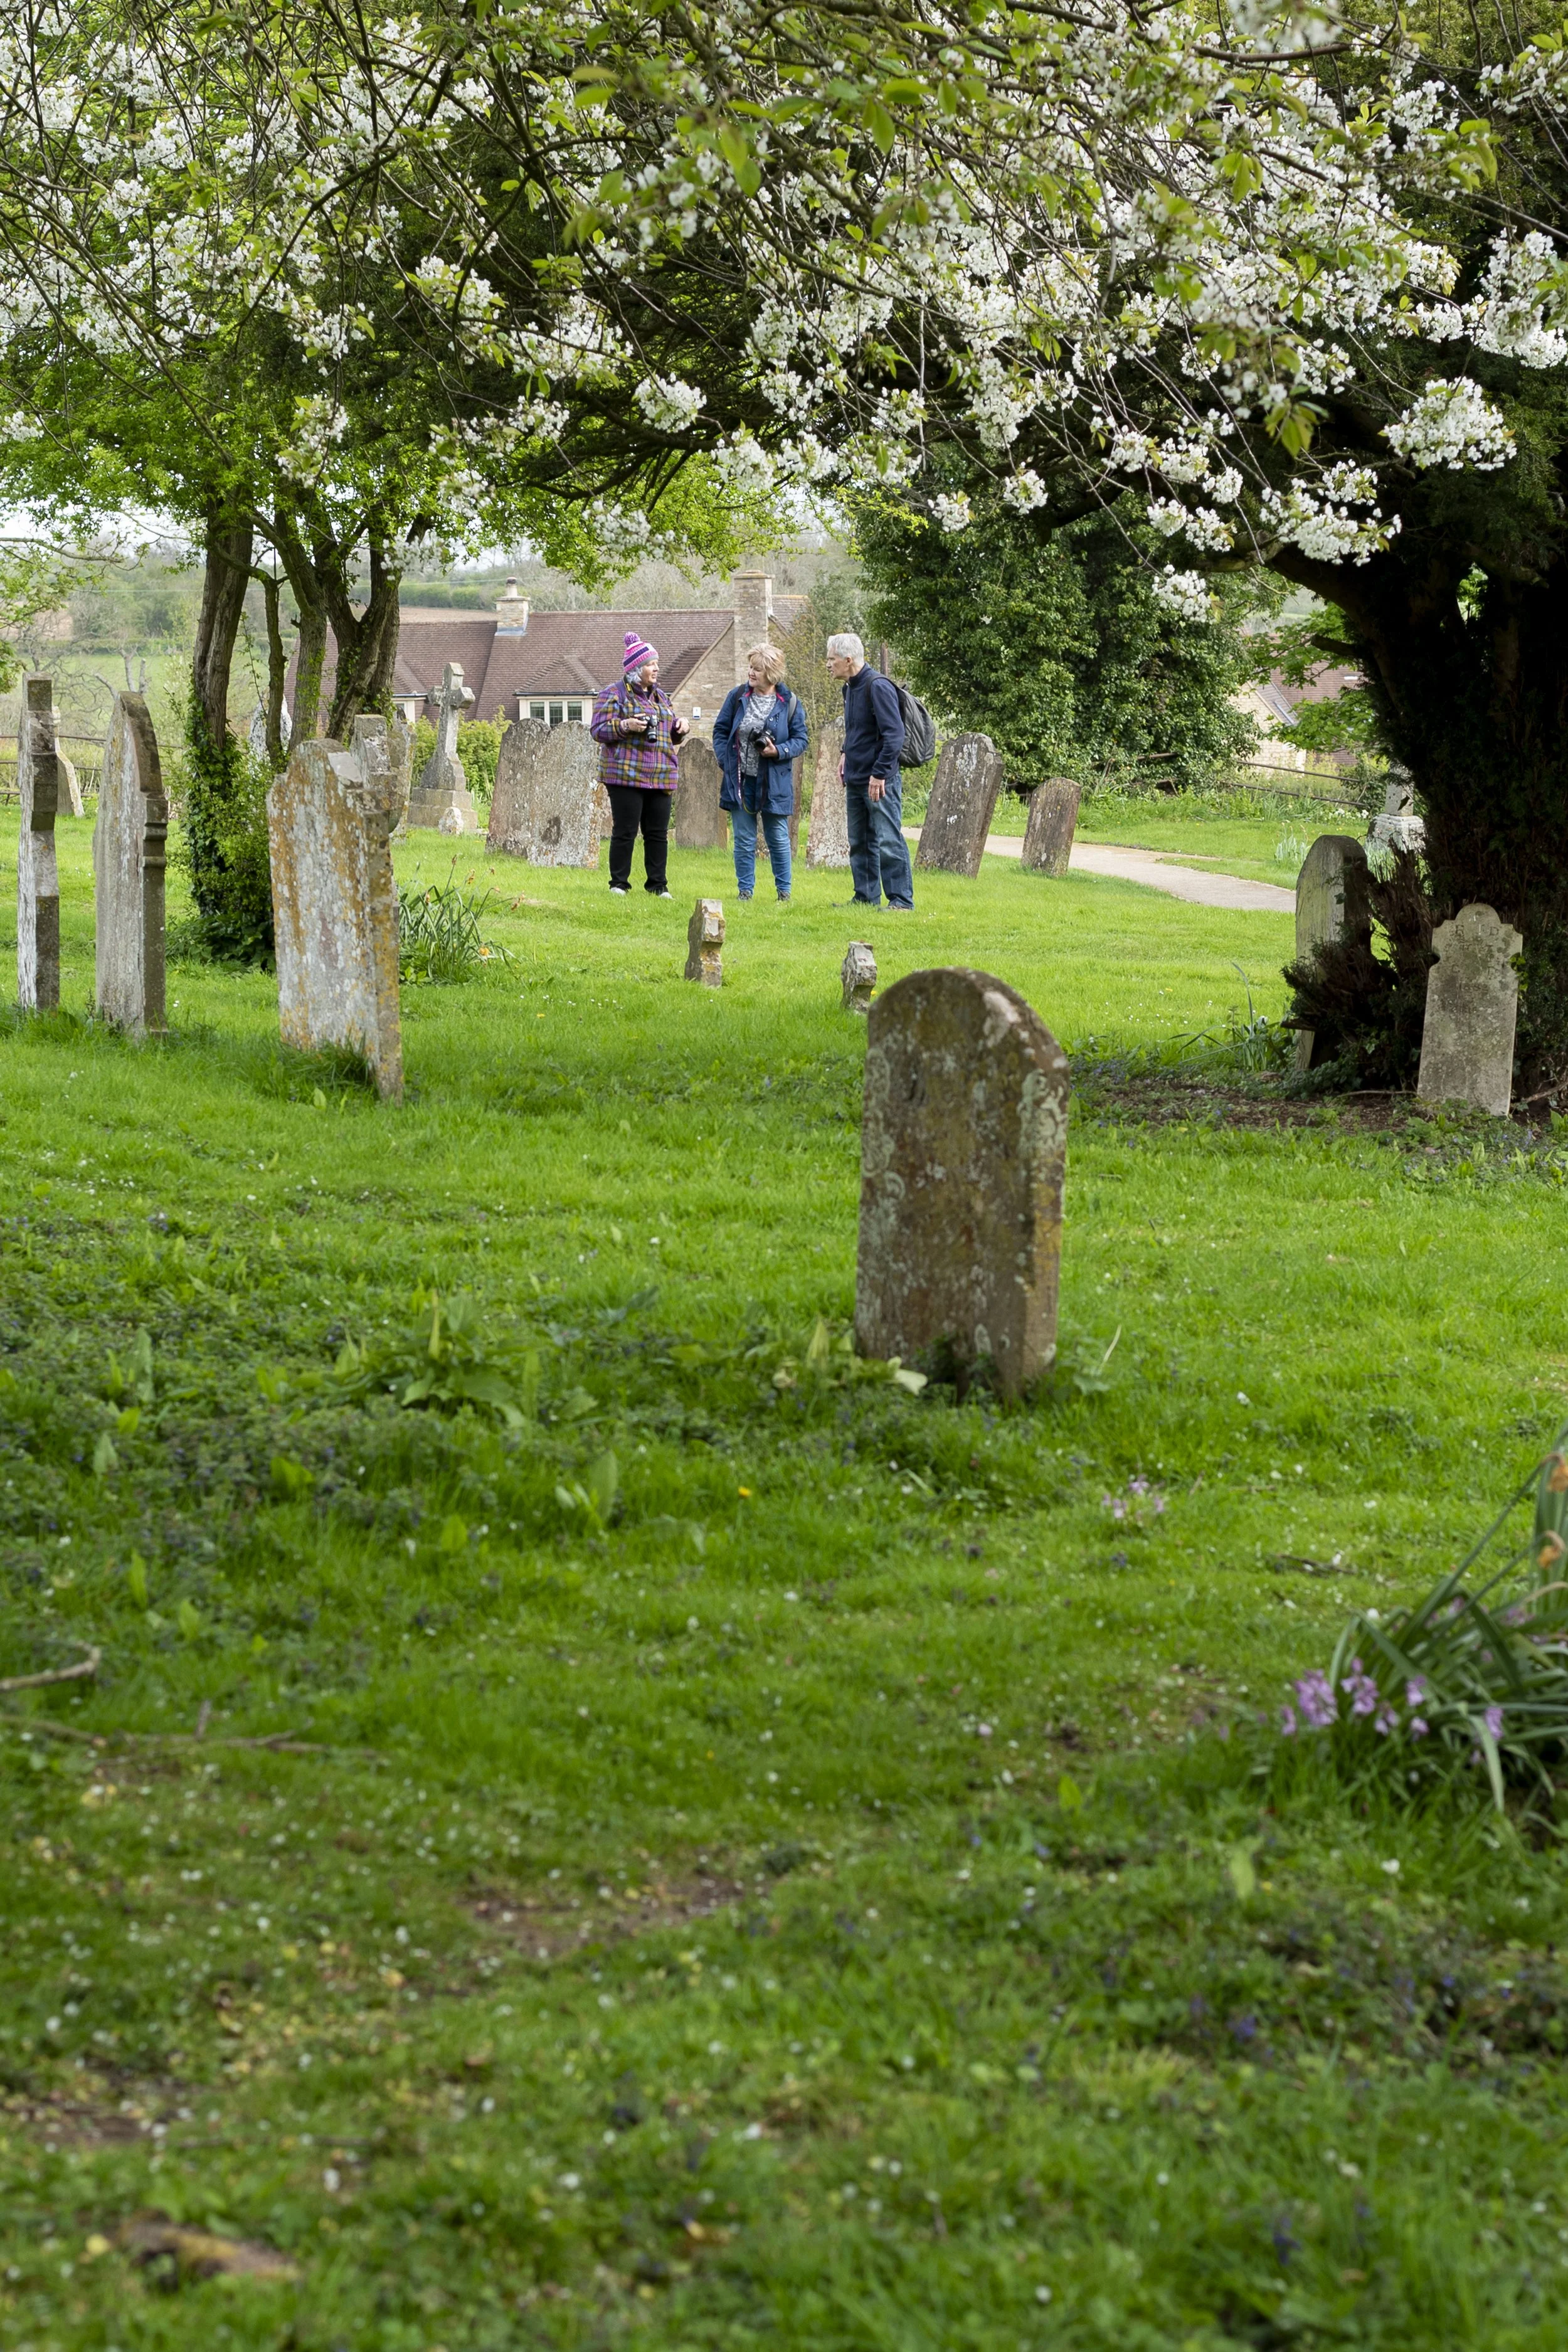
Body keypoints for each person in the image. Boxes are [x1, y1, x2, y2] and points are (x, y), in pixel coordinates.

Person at [590, 632, 689, 896]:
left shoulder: (662, 698)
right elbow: (598, 730)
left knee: (658, 833)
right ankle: (619, 884)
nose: (656, 668)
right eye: (650, 664)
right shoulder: (613, 694)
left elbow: (670, 736)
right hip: (625, 773)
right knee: (625, 831)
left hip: (661, 773)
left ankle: (658, 886)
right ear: (636, 669)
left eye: (656, 663)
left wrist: (680, 728)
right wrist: (626, 725)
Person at [712, 644, 810, 903]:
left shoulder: (789, 703)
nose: (751, 672)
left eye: (757, 668)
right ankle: (745, 892)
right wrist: (725, 761)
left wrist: (778, 750)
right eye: (751, 667)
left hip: (774, 782)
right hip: (741, 780)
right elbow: (721, 731)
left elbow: (802, 740)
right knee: (744, 839)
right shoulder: (737, 697)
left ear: (771, 673)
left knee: (777, 837)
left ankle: (784, 893)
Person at [825, 632, 912, 911]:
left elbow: (895, 735)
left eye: (832, 659)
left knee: (888, 839)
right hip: (856, 776)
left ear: (848, 660)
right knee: (860, 841)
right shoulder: (849, 688)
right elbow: (857, 729)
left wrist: (880, 774)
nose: (828, 664)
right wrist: (844, 753)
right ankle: (865, 897)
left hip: (879, 780)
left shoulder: (878, 686)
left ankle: (900, 900)